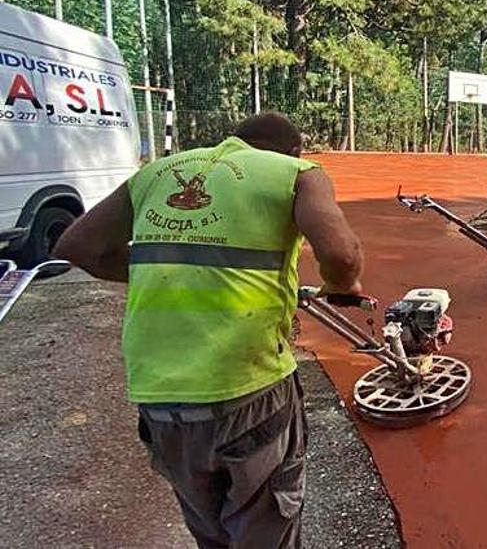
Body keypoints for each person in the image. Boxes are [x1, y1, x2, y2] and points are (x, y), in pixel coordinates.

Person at [54, 112, 363, 548]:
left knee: (211, 532)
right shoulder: (297, 173)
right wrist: (342, 285)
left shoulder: (158, 172)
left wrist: (171, 270)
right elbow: (341, 253)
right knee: (264, 530)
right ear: (294, 150)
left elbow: (76, 247)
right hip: (247, 386)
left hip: (159, 399)